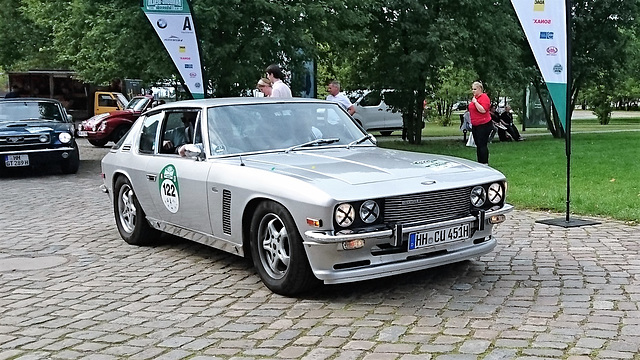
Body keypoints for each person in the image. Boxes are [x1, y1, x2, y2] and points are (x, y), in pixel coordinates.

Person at [468, 81, 492, 164]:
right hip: (475, 125)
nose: (473, 91)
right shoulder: (475, 98)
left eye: (475, 89)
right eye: (472, 89)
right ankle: (479, 162)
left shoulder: (484, 97)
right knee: (478, 144)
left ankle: (485, 162)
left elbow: (483, 110)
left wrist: (475, 102)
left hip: (484, 124)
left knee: (482, 144)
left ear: (480, 89)